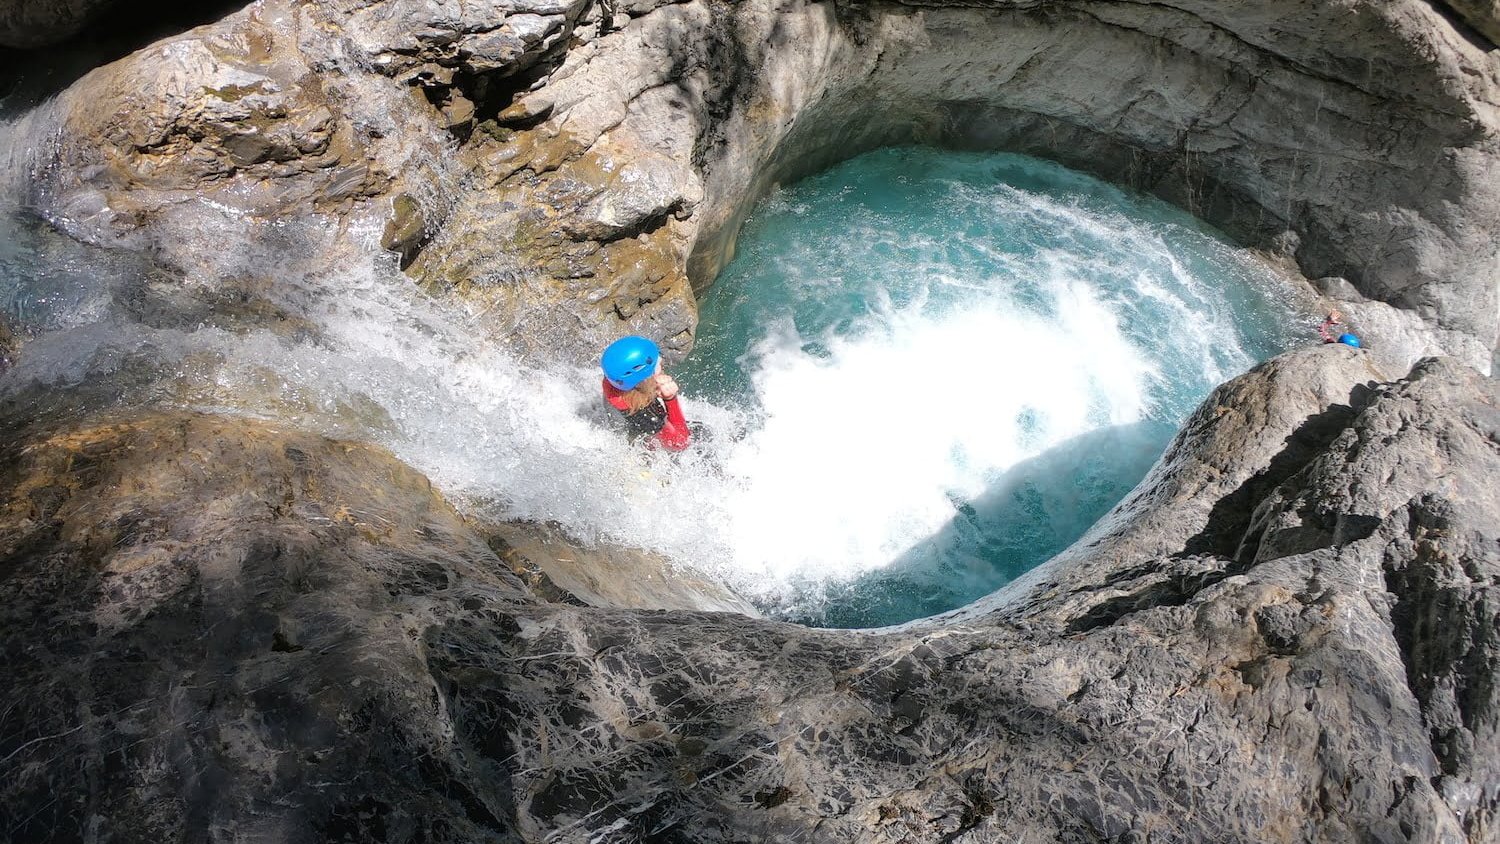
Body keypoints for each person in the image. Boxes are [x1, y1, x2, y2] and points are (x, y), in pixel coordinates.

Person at [600, 335, 691, 451]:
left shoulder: (615, 381)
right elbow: (681, 443)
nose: (660, 360)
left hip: (628, 424)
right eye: (656, 364)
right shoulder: (648, 417)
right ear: (644, 378)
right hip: (652, 446)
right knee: (704, 432)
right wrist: (670, 398)